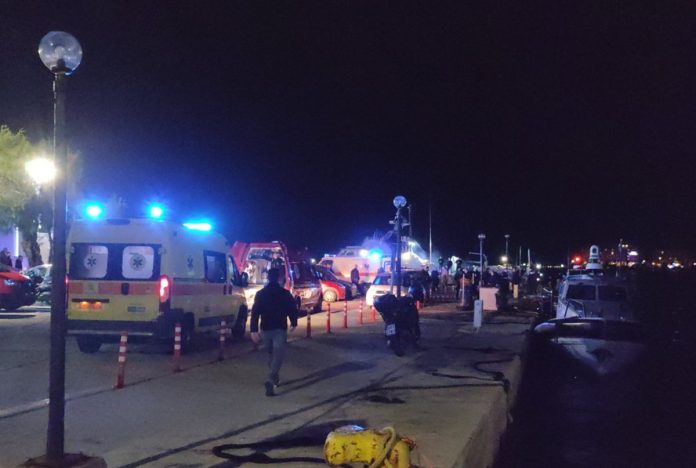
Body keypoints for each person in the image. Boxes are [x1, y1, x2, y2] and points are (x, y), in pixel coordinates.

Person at [250, 268, 298, 397]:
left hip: (265, 328)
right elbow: (292, 308)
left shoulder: (261, 294)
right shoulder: (284, 293)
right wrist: (293, 322)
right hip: (279, 328)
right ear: (279, 278)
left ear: (268, 278)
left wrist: (253, 330)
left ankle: (274, 378)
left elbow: (255, 312)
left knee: (271, 354)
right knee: (278, 354)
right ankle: (271, 379)